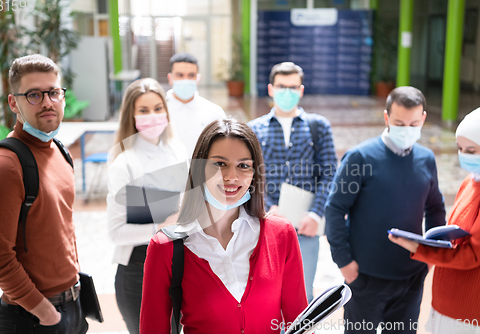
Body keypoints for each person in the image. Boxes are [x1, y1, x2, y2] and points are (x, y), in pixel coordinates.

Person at [139, 119, 307, 333]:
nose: (231, 176)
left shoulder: (281, 235)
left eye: (243, 166)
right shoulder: (165, 247)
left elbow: (302, 324)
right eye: (219, 164)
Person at [325, 86, 446, 333]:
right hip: (365, 276)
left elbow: (435, 208)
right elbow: (335, 209)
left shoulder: (426, 158)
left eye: (414, 124)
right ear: (386, 117)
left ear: (423, 118)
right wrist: (344, 262)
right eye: (400, 123)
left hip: (411, 277)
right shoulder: (360, 157)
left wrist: (431, 254)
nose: (407, 130)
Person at [0, 54, 88, 333]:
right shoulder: (5, 165)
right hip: (31, 318)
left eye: (53, 92)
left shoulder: (60, 152)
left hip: (72, 305)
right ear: (14, 103)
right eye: (34, 95)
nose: (47, 102)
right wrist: (47, 314)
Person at [248, 62, 337, 302]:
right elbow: (249, 177)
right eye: (281, 86)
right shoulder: (253, 130)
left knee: (301, 295)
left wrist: (315, 214)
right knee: (262, 296)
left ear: (301, 90)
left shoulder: (318, 126)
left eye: (292, 87)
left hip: (305, 227)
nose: (287, 92)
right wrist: (267, 208)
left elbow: (330, 174)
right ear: (270, 89)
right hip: (265, 225)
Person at [107, 78, 188, 334]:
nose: (152, 116)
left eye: (157, 108)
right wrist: (160, 226)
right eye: (143, 110)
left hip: (176, 264)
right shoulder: (125, 162)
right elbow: (115, 232)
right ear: (131, 115)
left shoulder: (176, 150)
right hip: (137, 270)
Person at [389, 108, 480, 334]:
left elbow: (472, 255)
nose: (465, 156)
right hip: (446, 299)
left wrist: (419, 248)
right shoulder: (471, 181)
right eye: (460, 149)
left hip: (467, 312)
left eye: (472, 150)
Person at [166, 52, 227, 156]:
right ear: (170, 78)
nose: (185, 80)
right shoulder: (159, 111)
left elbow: (224, 147)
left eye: (191, 75)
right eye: (180, 75)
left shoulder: (214, 112)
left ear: (198, 78)